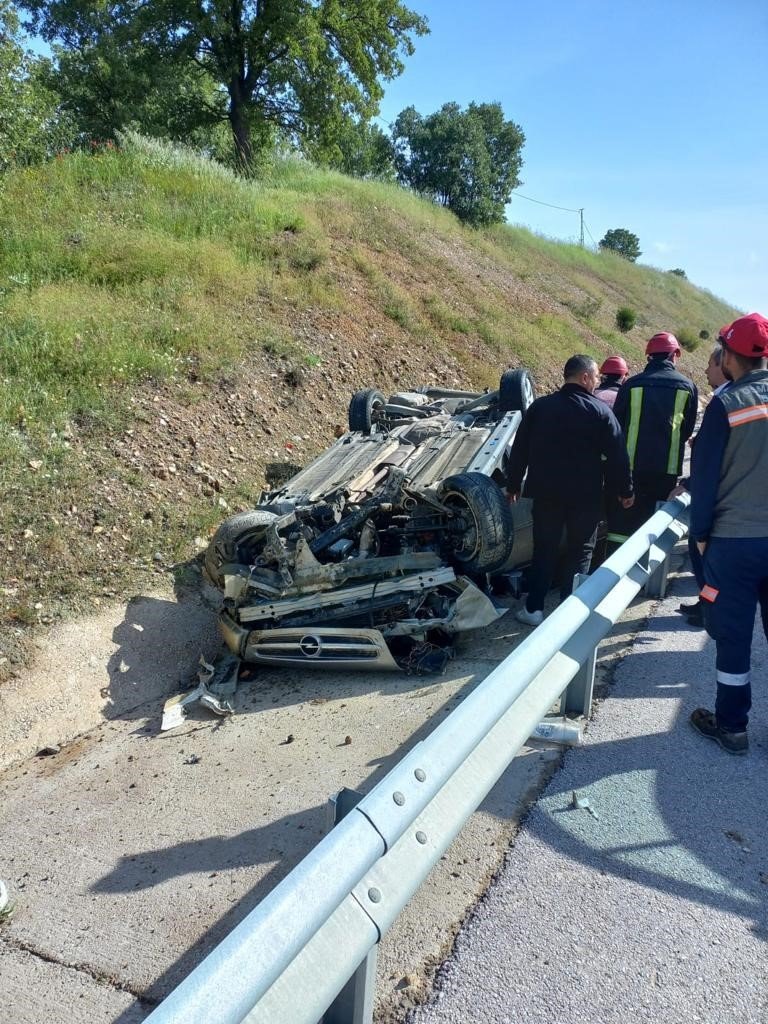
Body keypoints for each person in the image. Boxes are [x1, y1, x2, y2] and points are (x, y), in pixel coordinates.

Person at [687, 312, 768, 755]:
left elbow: (704, 476)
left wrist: (700, 535)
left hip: (733, 542)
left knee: (734, 637)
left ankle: (733, 727)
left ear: (730, 355)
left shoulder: (727, 404)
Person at [506, 354, 634, 627]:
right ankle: (569, 613)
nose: (598, 381)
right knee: (581, 549)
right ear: (585, 377)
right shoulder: (600, 412)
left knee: (545, 548)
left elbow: (520, 449)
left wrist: (513, 484)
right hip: (585, 496)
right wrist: (625, 490)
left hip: (545, 493)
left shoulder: (540, 408)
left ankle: (534, 609)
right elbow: (618, 456)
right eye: (597, 376)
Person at [607, 332, 698, 548]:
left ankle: (612, 573)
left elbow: (617, 425)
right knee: (654, 524)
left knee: (622, 526)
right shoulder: (687, 387)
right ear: (675, 354)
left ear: (649, 356)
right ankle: (648, 577)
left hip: (631, 469)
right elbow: (687, 429)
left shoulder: (632, 384)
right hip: (665, 471)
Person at [677, 337, 731, 625]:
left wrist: (689, 485)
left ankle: (709, 612)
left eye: (710, 364)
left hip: (715, 508)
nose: (706, 370)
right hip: (718, 504)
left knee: (709, 565)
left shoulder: (725, 402)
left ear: (725, 365)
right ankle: (704, 606)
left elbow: (713, 462)